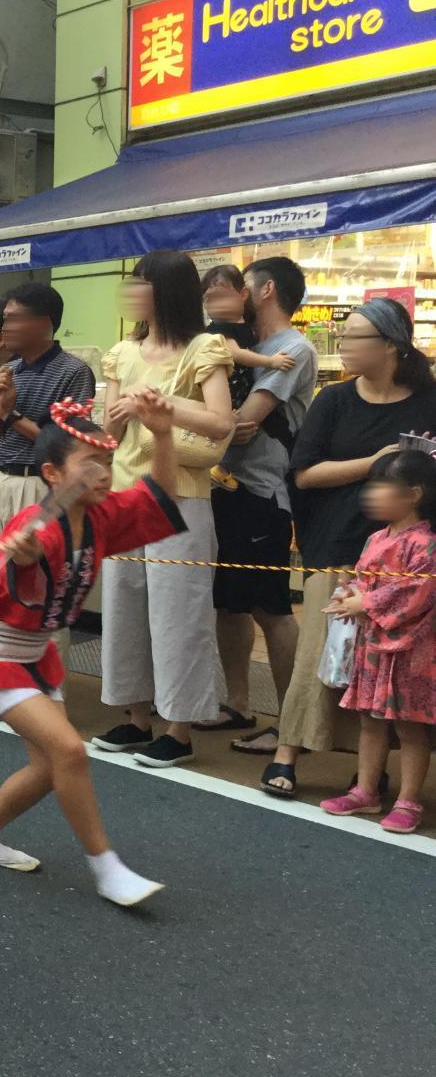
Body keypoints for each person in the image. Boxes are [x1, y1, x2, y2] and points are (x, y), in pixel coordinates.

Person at [0, 391, 182, 907]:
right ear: (53, 475)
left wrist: (163, 434)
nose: (102, 474)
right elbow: (11, 572)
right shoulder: (36, 523)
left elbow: (158, 498)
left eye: (106, 462)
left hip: (38, 652)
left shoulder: (98, 516)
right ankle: (106, 868)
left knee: (49, 767)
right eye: (88, 464)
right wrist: (23, 557)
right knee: (71, 751)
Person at [254, 298, 436, 797]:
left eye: (356, 337)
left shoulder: (429, 400)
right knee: (320, 651)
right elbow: (306, 474)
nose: (345, 345)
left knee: (390, 660)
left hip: (409, 555)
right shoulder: (333, 400)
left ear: (393, 346)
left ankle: (370, 770)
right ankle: (288, 752)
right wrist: (377, 462)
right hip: (335, 542)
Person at [94, 250, 234, 769]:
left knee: (180, 614)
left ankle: (179, 727)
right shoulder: (122, 352)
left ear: (165, 292)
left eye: (140, 284)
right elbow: (106, 434)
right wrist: (120, 413)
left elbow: (223, 422)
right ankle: (136, 717)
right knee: (125, 607)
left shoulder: (205, 347)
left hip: (182, 498)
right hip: (124, 496)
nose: (131, 293)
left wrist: (158, 408)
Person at [201, 259, 315, 736]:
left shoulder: (294, 348)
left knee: (271, 608)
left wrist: (214, 424)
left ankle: (291, 725)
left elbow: (244, 425)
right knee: (229, 605)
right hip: (226, 487)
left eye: (243, 286)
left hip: (264, 494)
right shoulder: (240, 343)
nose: (236, 296)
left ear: (266, 290)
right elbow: (227, 425)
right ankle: (239, 704)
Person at [316, 449, 436, 833]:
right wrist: (346, 594)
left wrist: (364, 602)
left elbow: (417, 593)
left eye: (382, 486)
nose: (372, 495)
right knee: (370, 720)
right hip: (374, 645)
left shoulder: (426, 543)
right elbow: (362, 580)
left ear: (414, 493)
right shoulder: (375, 538)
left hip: (411, 649)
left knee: (410, 726)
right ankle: (366, 790)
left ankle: (409, 799)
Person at [0, 285, 94, 575]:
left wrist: (12, 414)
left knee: (40, 581)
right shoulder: (9, 370)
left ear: (44, 323)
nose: (4, 328)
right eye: (4, 319)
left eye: (13, 319)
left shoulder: (73, 371)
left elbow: (66, 445)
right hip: (1, 478)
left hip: (41, 484)